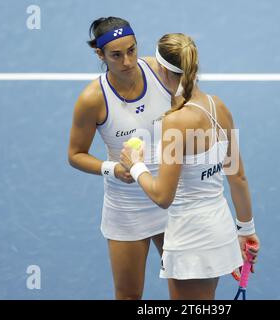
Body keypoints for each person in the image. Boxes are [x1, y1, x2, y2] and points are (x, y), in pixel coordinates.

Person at [119, 33, 260, 300]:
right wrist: (247, 231)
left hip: (191, 242)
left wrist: (136, 166)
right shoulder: (218, 106)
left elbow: (163, 196)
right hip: (220, 230)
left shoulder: (176, 123)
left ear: (161, 69)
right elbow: (238, 177)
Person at [67, 17, 172, 299]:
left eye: (132, 50)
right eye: (116, 55)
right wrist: (112, 169)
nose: (127, 61)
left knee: (184, 289)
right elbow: (75, 155)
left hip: (171, 196)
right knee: (128, 296)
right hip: (127, 208)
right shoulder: (92, 99)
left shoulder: (159, 72)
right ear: (100, 55)